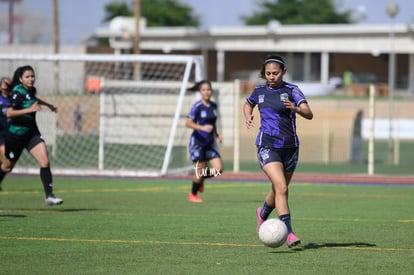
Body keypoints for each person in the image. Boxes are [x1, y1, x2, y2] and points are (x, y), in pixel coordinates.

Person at [243, 55, 313, 248]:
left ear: (283, 72)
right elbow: (248, 103)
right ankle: (289, 233)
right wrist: (248, 115)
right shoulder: (258, 91)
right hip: (267, 145)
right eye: (268, 74)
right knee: (282, 188)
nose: (271, 77)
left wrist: (297, 109)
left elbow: (309, 113)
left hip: (290, 148)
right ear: (263, 73)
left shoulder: (292, 90)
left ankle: (262, 214)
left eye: (275, 73)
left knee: (278, 189)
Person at [1, 65, 63, 206]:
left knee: (45, 161)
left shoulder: (31, 90)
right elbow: (9, 113)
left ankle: (49, 196)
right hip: (16, 135)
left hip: (31, 133)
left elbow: (34, 99)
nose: (31, 79)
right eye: (27, 77)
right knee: (7, 167)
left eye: (32, 76)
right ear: (21, 79)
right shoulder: (17, 93)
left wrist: (49, 105)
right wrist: (29, 109)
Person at [186, 80, 223, 203]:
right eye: (204, 90)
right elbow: (188, 123)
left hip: (209, 144)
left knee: (218, 169)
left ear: (211, 91)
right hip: (197, 143)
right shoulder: (197, 106)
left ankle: (200, 179)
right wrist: (202, 128)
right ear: (200, 92)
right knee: (199, 171)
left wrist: (217, 135)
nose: (206, 92)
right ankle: (192, 194)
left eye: (208, 89)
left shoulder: (213, 106)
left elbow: (212, 123)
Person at [0, 77, 11, 191]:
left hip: (10, 134)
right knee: (6, 162)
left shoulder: (14, 98)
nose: (7, 83)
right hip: (0, 135)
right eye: (5, 82)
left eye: (9, 82)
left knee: (8, 165)